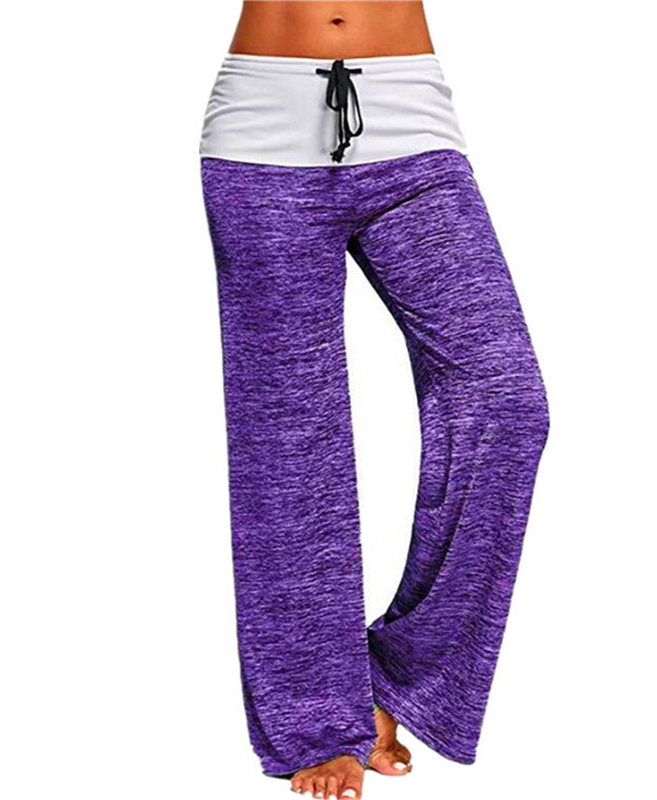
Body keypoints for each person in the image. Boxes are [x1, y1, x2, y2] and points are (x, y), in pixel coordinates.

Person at [199, 3, 550, 798]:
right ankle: (318, 720)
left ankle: (397, 678)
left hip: (410, 126)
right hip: (259, 134)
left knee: (505, 399)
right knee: (289, 441)